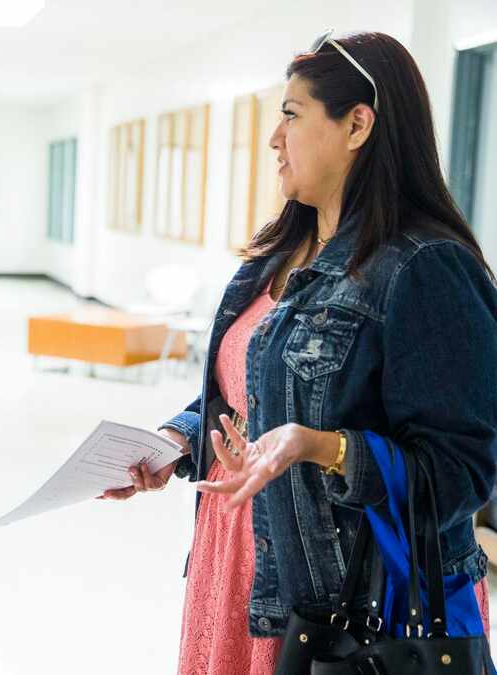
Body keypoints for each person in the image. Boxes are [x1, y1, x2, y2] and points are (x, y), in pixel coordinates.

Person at [102, 30, 497, 674]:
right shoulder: (274, 260)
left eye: (291, 114)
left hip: (347, 608)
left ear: (358, 125)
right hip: (235, 566)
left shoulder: (426, 269)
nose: (273, 139)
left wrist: (324, 447)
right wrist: (177, 440)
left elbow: (460, 476)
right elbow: (247, 396)